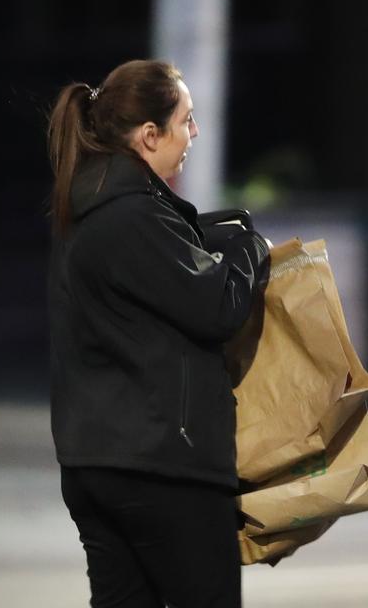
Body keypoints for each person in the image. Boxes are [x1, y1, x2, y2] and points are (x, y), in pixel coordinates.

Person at [47, 59, 269, 607]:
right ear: (150, 135)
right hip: (163, 468)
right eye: (186, 120)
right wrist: (248, 246)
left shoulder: (87, 211)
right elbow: (219, 305)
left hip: (94, 462)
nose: (193, 134)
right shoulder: (134, 218)